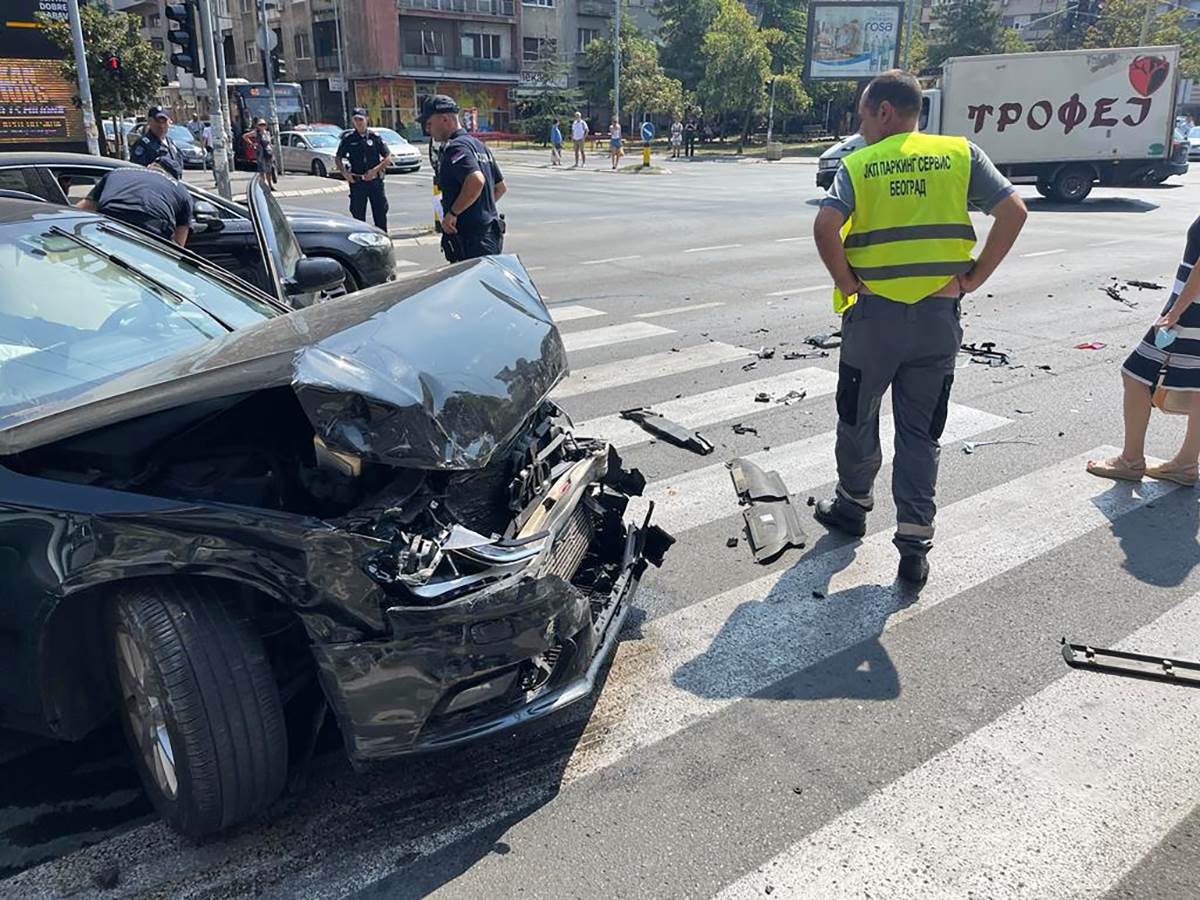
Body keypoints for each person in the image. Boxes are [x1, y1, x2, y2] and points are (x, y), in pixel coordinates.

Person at [811, 69, 1027, 585]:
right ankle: (913, 544)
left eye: (863, 115)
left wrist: (848, 281)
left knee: (857, 414)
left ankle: (852, 506)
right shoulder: (960, 154)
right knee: (921, 431)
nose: (861, 126)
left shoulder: (860, 163)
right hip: (937, 319)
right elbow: (1014, 212)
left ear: (884, 111)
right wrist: (974, 278)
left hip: (874, 319)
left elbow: (825, 226)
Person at [1088, 216, 1200, 487]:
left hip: (1192, 308)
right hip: (1192, 305)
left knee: (1135, 374)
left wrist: (1175, 311)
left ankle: (1131, 460)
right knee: (1197, 386)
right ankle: (1186, 463)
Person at [420, 94, 507, 263]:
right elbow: (500, 187)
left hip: (471, 238)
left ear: (445, 119)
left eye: (429, 123)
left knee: (472, 278)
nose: (428, 130)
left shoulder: (456, 148)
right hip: (489, 233)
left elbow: (476, 180)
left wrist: (453, 213)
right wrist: (479, 207)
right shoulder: (479, 145)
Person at [76, 151, 192, 248]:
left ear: (150, 165)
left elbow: (85, 207)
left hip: (109, 223)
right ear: (174, 177)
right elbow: (179, 245)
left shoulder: (116, 172)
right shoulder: (181, 190)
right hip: (150, 232)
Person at [335, 108, 392, 230]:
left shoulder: (374, 137)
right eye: (355, 120)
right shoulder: (349, 139)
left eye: (360, 119)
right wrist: (344, 173)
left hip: (375, 182)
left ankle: (383, 237)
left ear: (367, 119)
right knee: (358, 216)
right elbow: (338, 157)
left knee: (380, 214)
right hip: (357, 182)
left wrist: (375, 170)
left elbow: (387, 157)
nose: (358, 122)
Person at [131, 106, 183, 173]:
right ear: (149, 121)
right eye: (157, 121)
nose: (161, 126)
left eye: (164, 121)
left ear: (170, 122)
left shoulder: (171, 143)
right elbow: (137, 170)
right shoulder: (142, 144)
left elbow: (179, 168)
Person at [252, 119, 276, 190]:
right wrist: (253, 144)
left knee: (269, 170)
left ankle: (270, 185)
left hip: (268, 153)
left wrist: (272, 153)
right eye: (260, 125)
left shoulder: (267, 133)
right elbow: (245, 136)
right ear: (257, 126)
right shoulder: (256, 133)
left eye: (263, 125)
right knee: (262, 171)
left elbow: (270, 143)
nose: (262, 126)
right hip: (261, 154)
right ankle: (264, 186)